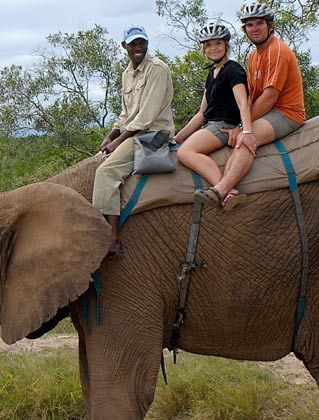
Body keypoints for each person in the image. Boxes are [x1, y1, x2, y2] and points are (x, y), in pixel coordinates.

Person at [194, 3, 306, 207]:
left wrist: (242, 129)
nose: (254, 28)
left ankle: (220, 190)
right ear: (244, 30)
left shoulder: (277, 51)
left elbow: (270, 97)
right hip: (268, 112)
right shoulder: (254, 55)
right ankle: (229, 192)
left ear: (269, 26)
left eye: (259, 23)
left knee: (246, 141)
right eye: (249, 25)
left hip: (286, 113)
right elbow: (253, 96)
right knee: (239, 140)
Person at [93, 25, 174, 258]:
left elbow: (146, 115)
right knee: (98, 159)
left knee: (106, 173)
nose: (138, 47)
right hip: (134, 130)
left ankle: (112, 239)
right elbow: (126, 113)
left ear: (147, 44)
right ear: (124, 46)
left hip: (154, 133)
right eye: (133, 44)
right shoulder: (127, 73)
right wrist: (110, 135)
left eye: (142, 43)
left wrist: (119, 142)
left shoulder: (158, 69)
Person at [174, 22, 253, 206]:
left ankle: (225, 189)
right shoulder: (212, 72)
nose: (213, 48)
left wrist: (246, 132)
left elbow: (243, 102)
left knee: (186, 152)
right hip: (210, 125)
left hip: (224, 126)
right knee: (181, 145)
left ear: (226, 44)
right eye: (208, 45)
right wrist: (177, 138)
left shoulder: (233, 70)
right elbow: (202, 113)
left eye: (217, 43)